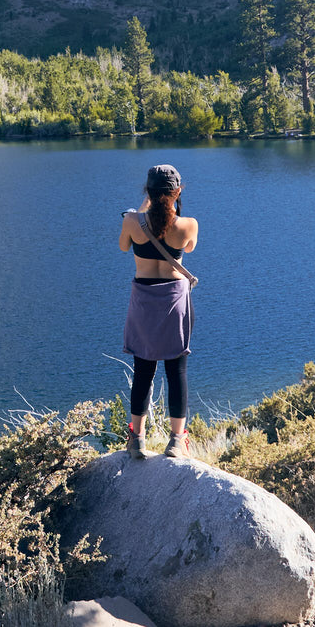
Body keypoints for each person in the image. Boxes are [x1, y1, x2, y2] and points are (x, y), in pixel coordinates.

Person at [119, 163, 197, 459]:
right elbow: (188, 249)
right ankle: (177, 440)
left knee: (143, 369)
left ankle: (137, 438)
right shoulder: (188, 224)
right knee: (176, 370)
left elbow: (124, 246)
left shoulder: (131, 222)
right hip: (174, 300)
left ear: (147, 192)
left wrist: (140, 210)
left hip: (144, 299)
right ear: (177, 192)